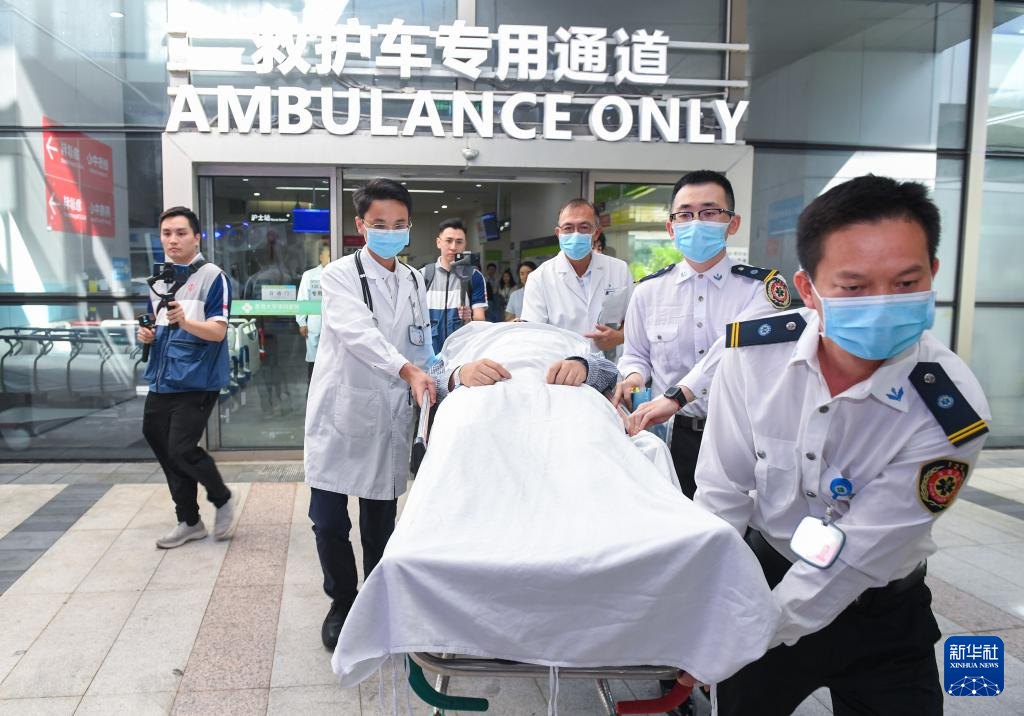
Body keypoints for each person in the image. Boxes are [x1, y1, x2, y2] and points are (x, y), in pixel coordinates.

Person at [690, 176, 990, 715]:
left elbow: (858, 554)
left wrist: (750, 630)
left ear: (933, 276)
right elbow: (723, 491)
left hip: (882, 610)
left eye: (905, 282)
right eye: (853, 287)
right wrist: (705, 605)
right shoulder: (753, 356)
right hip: (768, 575)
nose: (882, 304)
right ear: (808, 289)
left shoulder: (949, 406)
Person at [304, 178, 435, 651]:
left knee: (381, 518)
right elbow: (357, 333)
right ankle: (342, 601)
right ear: (361, 225)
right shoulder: (338, 276)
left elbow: (422, 343)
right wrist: (406, 369)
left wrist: (436, 374)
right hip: (341, 413)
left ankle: (377, 600)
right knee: (330, 520)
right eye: (379, 224)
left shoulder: (414, 279)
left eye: (399, 224)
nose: (390, 232)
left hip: (389, 415)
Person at [618, 170, 790, 498]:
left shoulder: (762, 289)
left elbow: (732, 350)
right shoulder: (648, 291)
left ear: (733, 223)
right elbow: (636, 354)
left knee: (737, 533)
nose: (696, 222)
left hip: (744, 438)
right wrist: (633, 379)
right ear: (671, 227)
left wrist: (678, 395)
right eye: (685, 214)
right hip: (675, 436)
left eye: (710, 212)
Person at [136, 206, 236, 549]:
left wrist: (185, 321)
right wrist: (147, 335)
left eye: (180, 233)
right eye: (166, 233)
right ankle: (189, 521)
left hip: (198, 379)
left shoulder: (212, 277)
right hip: (162, 378)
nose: (173, 240)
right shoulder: (160, 278)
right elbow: (157, 324)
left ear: (197, 237)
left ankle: (221, 498)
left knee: (181, 448)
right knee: (161, 444)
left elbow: (218, 332)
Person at [520, 198, 633, 359]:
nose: (576, 234)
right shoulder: (539, 278)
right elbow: (534, 336)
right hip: (561, 376)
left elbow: (635, 322)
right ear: (558, 234)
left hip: (612, 370)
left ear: (596, 233)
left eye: (584, 227)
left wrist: (619, 337)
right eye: (568, 228)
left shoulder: (619, 269)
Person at [422, 218, 488, 353]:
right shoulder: (422, 276)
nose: (453, 247)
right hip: (428, 354)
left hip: (462, 353)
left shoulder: (474, 277)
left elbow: (480, 320)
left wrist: (469, 318)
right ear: (438, 242)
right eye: (448, 240)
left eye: (459, 242)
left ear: (465, 245)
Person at [296, 244, 330, 381]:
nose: (329, 258)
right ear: (321, 257)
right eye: (327, 255)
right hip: (314, 322)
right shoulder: (309, 275)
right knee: (314, 358)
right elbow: (302, 299)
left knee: (331, 359)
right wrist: (301, 322)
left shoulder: (340, 273)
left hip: (333, 322)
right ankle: (312, 388)